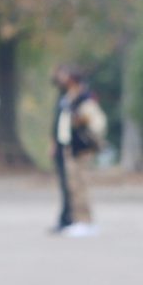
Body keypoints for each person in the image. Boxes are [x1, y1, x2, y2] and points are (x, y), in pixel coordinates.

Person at [54, 68, 107, 238]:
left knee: (81, 186)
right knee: (73, 187)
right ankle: (77, 219)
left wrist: (82, 124)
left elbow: (96, 123)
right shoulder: (68, 99)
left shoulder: (85, 100)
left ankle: (86, 221)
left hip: (82, 149)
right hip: (70, 147)